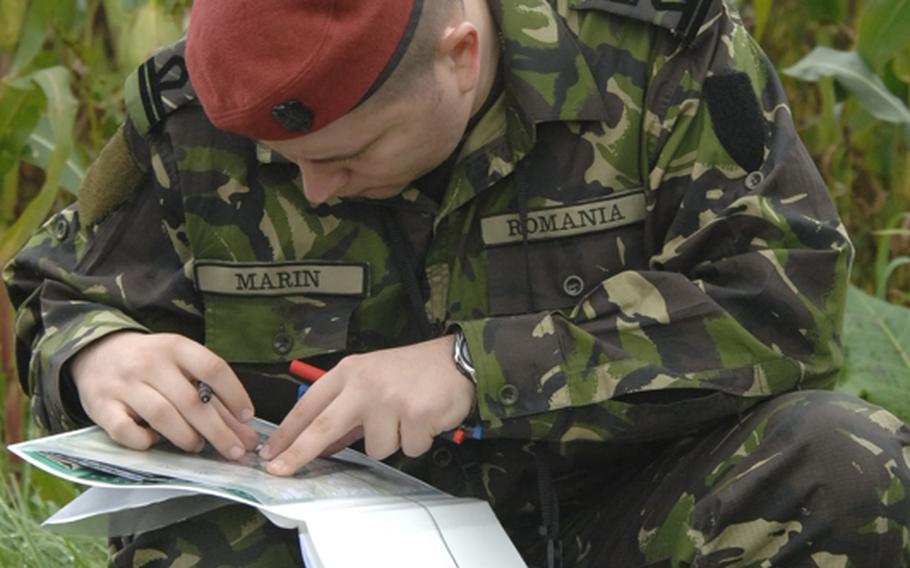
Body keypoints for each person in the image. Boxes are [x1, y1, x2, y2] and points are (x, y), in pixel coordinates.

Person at [5, 0, 910, 566]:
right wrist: (98, 352)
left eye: (348, 153)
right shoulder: (197, 108)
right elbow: (64, 287)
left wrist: (481, 366)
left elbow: (781, 301)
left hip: (625, 511)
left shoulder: (656, 59)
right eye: (284, 164)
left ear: (461, 55)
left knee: (847, 460)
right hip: (323, 537)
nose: (315, 187)